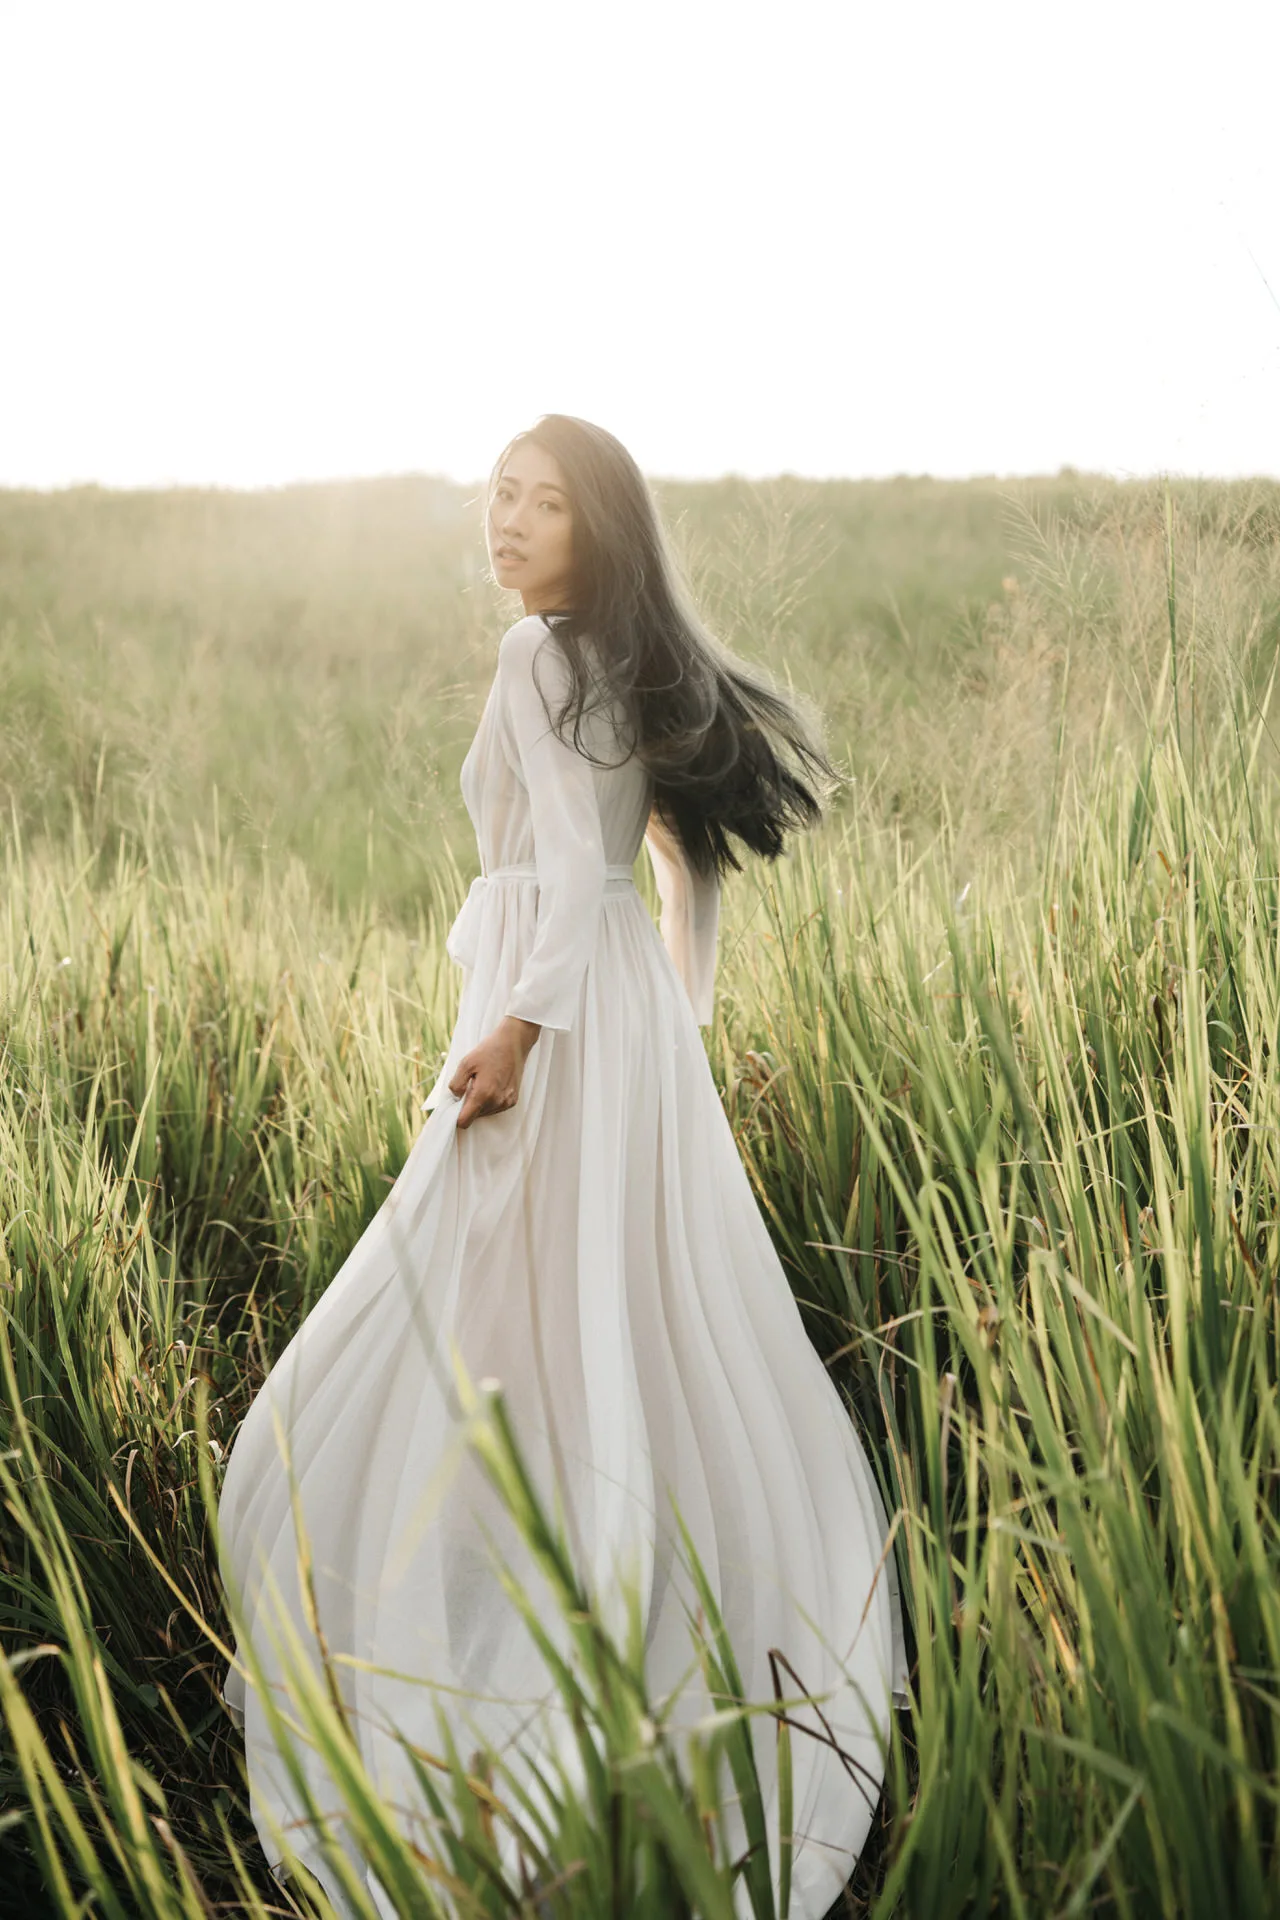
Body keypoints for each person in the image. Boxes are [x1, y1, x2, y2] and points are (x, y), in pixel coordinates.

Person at [216, 414, 908, 1918]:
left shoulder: (544, 659)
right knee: (628, 1308)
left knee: (472, 1301)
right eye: (497, 496)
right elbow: (680, 868)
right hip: (622, 1028)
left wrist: (525, 1033)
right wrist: (673, 1026)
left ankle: (507, 1613)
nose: (507, 522)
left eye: (541, 503)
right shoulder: (620, 657)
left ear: (601, 528)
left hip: (547, 1021)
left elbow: (595, 864)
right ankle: (640, 1591)